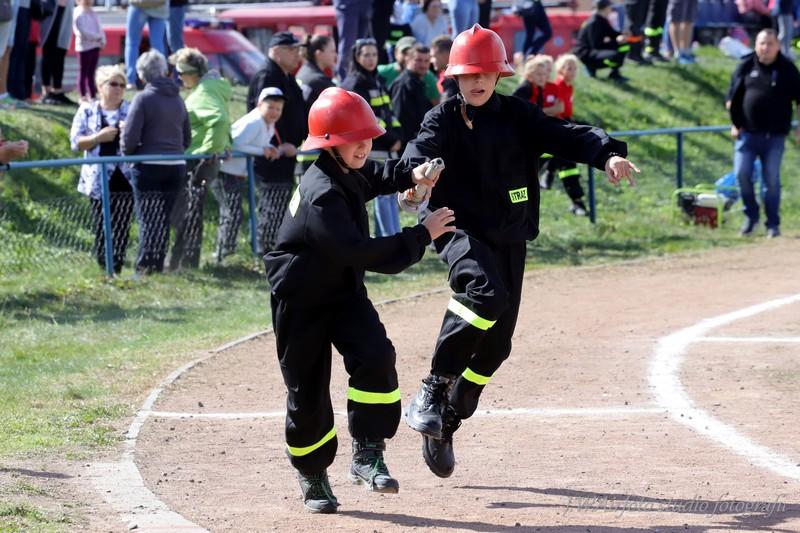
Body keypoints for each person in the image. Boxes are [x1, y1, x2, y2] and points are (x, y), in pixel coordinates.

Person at [399, 24, 637, 479]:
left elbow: (565, 134)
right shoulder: (441, 119)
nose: (477, 81)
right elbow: (419, 152)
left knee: (498, 344)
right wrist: (417, 177)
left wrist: (606, 154)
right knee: (485, 294)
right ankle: (433, 387)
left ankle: (449, 415)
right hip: (458, 226)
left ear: (499, 75)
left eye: (485, 73)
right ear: (455, 77)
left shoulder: (517, 114)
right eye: (469, 74)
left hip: (508, 231)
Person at [263, 86, 455, 514]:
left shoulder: (343, 168)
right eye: (355, 140)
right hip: (302, 300)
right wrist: (422, 235)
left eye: (367, 138)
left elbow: (375, 176)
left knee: (376, 356)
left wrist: (413, 175)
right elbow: (362, 253)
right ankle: (313, 473)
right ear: (330, 143)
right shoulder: (322, 194)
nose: (364, 147)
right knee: (307, 391)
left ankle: (368, 453)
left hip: (341, 290)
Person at [121, 50, 191, 274]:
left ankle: (145, 267)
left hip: (148, 165)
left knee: (149, 219)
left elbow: (129, 138)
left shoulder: (143, 98)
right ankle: (158, 264)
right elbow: (187, 138)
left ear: (142, 76)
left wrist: (130, 153)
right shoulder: (178, 99)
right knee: (164, 218)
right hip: (176, 166)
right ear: (165, 71)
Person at [726, 29, 800, 239]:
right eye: (762, 43)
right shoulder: (745, 66)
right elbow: (732, 98)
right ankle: (751, 217)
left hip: (774, 136)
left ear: (778, 46)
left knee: (771, 180)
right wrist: (735, 122)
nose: (765, 48)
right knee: (741, 174)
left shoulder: (787, 69)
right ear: (755, 45)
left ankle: (773, 223)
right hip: (747, 135)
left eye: (770, 44)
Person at [167, 47, 232, 270]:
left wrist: (209, 150)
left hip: (197, 161)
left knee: (185, 214)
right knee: (190, 213)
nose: (179, 77)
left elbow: (219, 121)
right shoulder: (211, 89)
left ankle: (182, 263)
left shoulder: (204, 92)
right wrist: (223, 146)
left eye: (181, 73)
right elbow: (224, 120)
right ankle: (185, 263)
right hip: (201, 159)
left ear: (193, 73)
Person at [246, 31, 307, 254]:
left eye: (298, 49)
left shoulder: (286, 76)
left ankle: (274, 248)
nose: (297, 54)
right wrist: (280, 146)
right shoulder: (268, 75)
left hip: (286, 153)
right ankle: (265, 250)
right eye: (291, 50)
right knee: (272, 203)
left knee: (280, 204)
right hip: (272, 154)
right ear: (276, 51)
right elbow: (266, 115)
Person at [69, 65, 133, 273]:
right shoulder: (87, 111)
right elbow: (75, 143)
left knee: (122, 223)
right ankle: (103, 267)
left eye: (122, 85)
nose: (118, 89)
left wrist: (130, 134)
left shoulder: (132, 110)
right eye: (113, 84)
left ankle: (117, 266)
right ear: (100, 86)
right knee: (101, 223)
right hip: (98, 177)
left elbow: (144, 140)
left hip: (125, 175)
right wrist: (97, 138)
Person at [341, 37, 404, 237]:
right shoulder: (355, 83)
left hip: (387, 146)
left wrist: (398, 136)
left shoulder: (377, 80)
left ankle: (392, 235)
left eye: (374, 55)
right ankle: (389, 237)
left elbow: (389, 113)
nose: (371, 59)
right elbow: (368, 117)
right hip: (372, 146)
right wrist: (390, 139)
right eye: (366, 55)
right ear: (357, 57)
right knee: (381, 195)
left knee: (390, 192)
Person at [218, 87, 286, 262]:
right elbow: (235, 144)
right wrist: (263, 151)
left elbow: (255, 145)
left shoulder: (268, 123)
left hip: (236, 173)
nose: (274, 112)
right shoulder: (254, 121)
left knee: (234, 213)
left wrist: (268, 148)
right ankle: (223, 254)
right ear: (259, 105)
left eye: (278, 109)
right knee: (232, 213)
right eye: (270, 107)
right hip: (226, 172)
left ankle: (227, 253)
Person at [542, 54, 590, 215]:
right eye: (569, 68)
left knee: (568, 163)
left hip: (565, 123)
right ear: (560, 70)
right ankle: (548, 173)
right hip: (555, 127)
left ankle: (577, 202)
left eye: (575, 68)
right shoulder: (558, 85)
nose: (573, 71)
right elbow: (558, 110)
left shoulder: (569, 87)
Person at [296, 34, 337, 171]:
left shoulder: (303, 73)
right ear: (319, 54)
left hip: (306, 150)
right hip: (317, 154)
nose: (335, 55)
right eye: (332, 51)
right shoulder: (319, 81)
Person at [574, 0, 630, 81]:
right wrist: (616, 42)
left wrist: (622, 35)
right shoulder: (594, 22)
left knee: (624, 46)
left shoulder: (601, 19)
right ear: (605, 8)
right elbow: (596, 45)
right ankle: (590, 67)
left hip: (595, 50)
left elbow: (611, 33)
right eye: (610, 7)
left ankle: (614, 74)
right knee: (615, 55)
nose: (611, 9)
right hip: (586, 54)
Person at [390, 43, 433, 148]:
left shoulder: (418, 83)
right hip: (407, 145)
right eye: (419, 60)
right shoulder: (403, 84)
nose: (423, 65)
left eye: (426, 61)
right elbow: (398, 118)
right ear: (409, 59)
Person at [378, 35, 441, 105]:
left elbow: (436, 104)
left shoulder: (428, 76)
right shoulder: (380, 72)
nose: (407, 57)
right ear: (396, 53)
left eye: (411, 54)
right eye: (405, 53)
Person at [123, 0, 168, 88]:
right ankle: (161, 78)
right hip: (159, 6)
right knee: (158, 45)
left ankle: (130, 81)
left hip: (138, 5)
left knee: (132, 43)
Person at [40, 0, 75, 105]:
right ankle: (46, 90)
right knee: (48, 52)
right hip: (51, 9)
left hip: (65, 8)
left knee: (60, 53)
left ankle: (57, 90)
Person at [73, 0, 106, 102]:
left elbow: (99, 28)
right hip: (83, 47)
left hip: (95, 46)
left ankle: (92, 94)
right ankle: (82, 95)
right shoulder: (78, 13)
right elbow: (81, 31)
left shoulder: (93, 13)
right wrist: (97, 37)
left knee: (91, 72)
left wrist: (102, 39)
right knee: (83, 72)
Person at [333, 0, 373, 80]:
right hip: (347, 4)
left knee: (362, 46)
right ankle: (343, 79)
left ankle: (360, 78)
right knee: (347, 45)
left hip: (365, 4)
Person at [431, 35, 458, 101]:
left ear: (446, 55)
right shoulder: (444, 76)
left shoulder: (455, 78)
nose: (431, 61)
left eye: (434, 56)